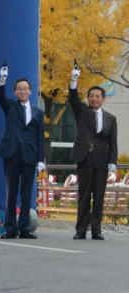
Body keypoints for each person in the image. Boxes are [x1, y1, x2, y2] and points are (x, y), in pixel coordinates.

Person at [0, 65, 45, 240]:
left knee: (26, 193)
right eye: (19, 89)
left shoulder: (38, 112)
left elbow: (40, 137)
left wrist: (41, 159)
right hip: (12, 153)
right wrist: (2, 80)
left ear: (31, 91)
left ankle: (24, 227)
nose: (22, 91)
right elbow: (0, 97)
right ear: (15, 92)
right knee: (11, 192)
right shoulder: (10, 106)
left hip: (30, 155)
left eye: (25, 89)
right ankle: (10, 228)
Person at [68, 67, 117, 240]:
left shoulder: (111, 118)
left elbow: (113, 142)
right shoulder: (83, 112)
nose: (94, 99)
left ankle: (96, 230)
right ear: (88, 98)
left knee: (99, 197)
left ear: (103, 99)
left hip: (102, 161)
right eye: (91, 96)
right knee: (83, 196)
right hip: (85, 159)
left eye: (97, 96)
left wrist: (113, 161)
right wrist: (73, 81)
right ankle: (80, 230)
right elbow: (73, 98)